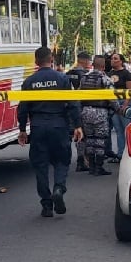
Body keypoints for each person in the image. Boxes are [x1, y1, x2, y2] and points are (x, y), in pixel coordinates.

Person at [18, 47, 83, 217]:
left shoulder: (29, 82)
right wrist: (77, 125)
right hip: (59, 125)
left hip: (38, 127)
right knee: (62, 161)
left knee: (40, 166)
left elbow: (22, 108)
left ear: (36, 61)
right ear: (51, 59)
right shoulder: (62, 78)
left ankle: (46, 205)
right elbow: (73, 103)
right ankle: (59, 188)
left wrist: (22, 130)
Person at [78, 55, 120, 176]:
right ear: (103, 66)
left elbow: (78, 95)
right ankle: (99, 167)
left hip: (86, 111)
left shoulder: (84, 78)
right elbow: (111, 97)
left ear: (93, 65)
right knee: (100, 140)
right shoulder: (105, 79)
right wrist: (118, 109)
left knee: (90, 139)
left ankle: (91, 166)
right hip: (100, 112)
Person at [66, 52, 93, 172]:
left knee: (74, 134)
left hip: (69, 109)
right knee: (84, 135)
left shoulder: (67, 74)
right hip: (82, 107)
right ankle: (84, 160)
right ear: (86, 61)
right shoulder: (85, 75)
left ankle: (78, 160)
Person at [108, 53, 131, 163]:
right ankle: (120, 154)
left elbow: (130, 91)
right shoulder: (109, 73)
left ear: (121, 61)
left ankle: (130, 154)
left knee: (127, 130)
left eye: (115, 59)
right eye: (112, 59)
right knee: (118, 130)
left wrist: (125, 104)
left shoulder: (126, 74)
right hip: (113, 104)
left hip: (124, 103)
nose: (113, 60)